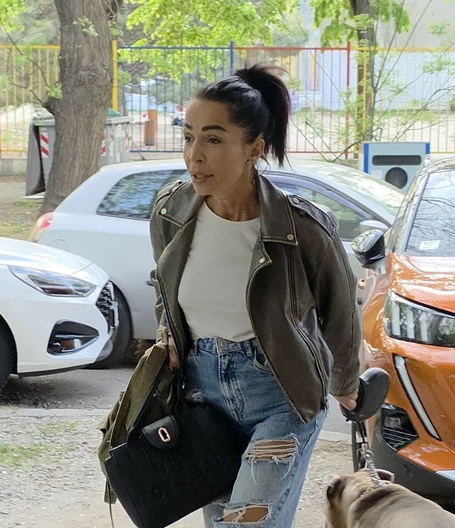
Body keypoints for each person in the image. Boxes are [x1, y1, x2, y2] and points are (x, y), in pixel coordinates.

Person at [148, 63, 362, 528]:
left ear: (255, 149)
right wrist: (167, 334)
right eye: (188, 137)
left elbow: (341, 314)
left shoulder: (303, 228)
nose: (195, 155)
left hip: (282, 395)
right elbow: (164, 286)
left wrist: (347, 387)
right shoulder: (171, 211)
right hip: (202, 400)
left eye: (214, 139)